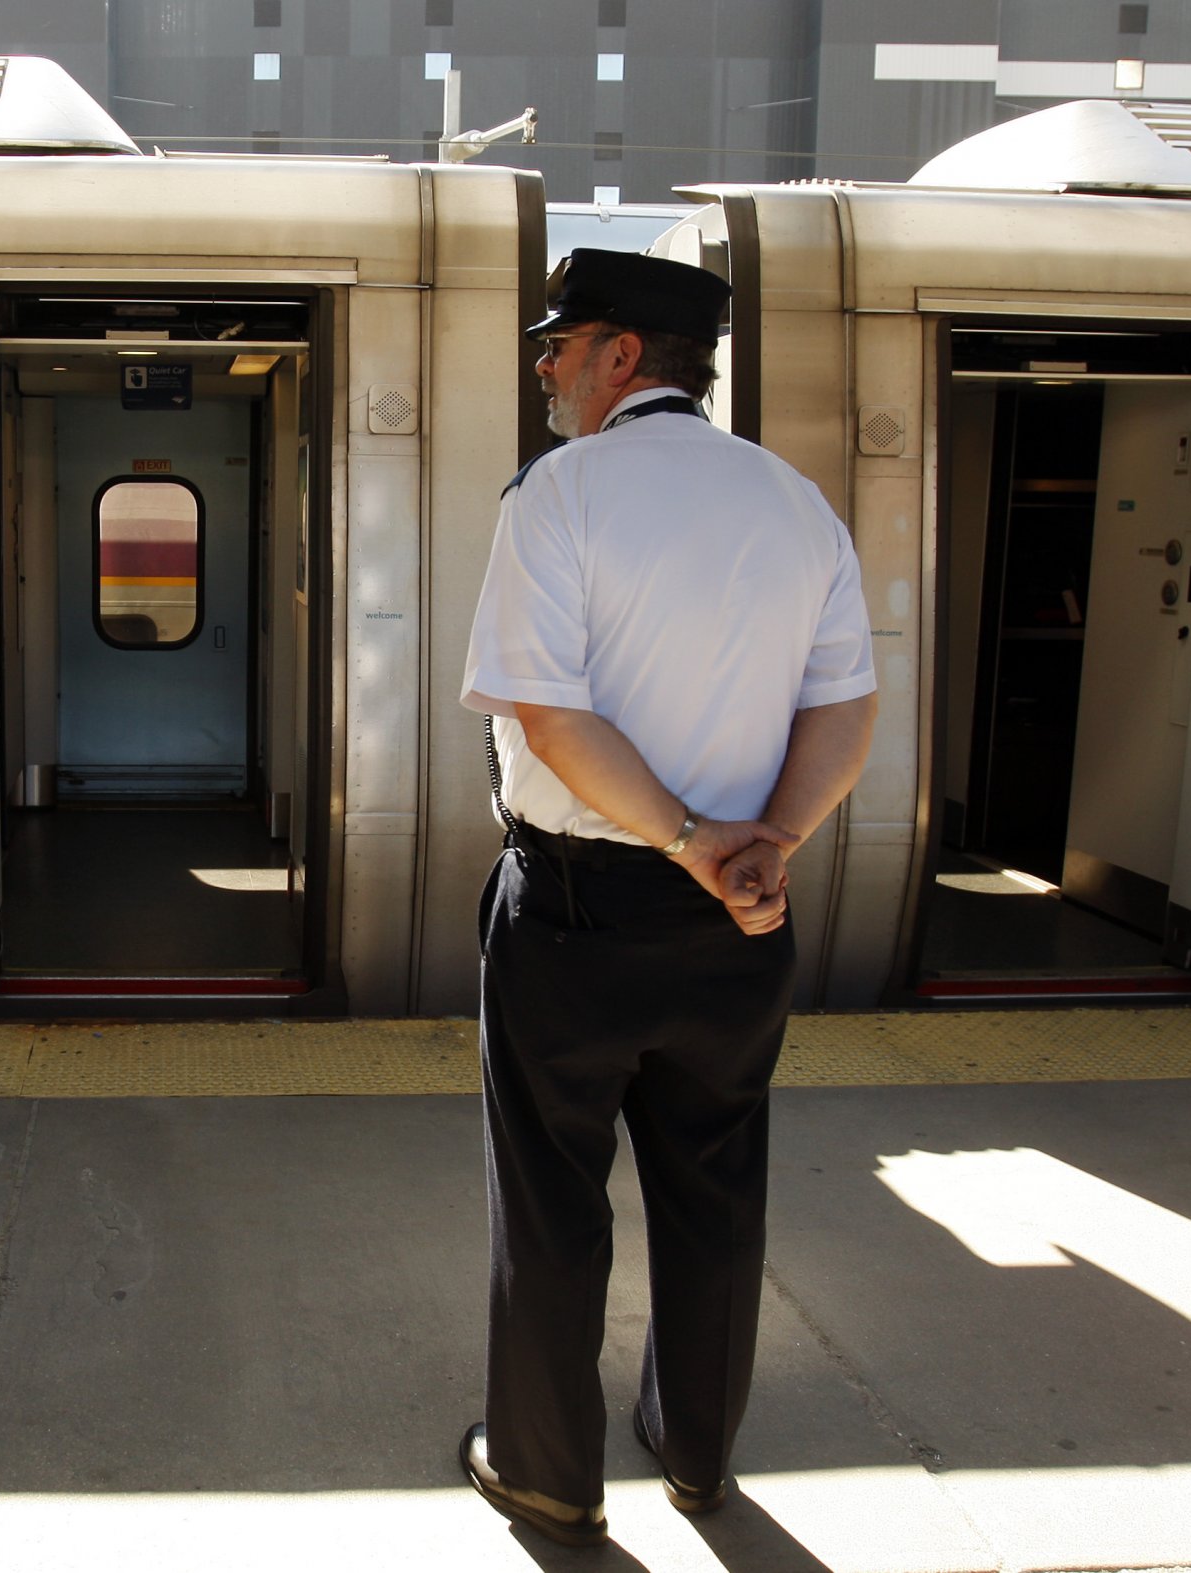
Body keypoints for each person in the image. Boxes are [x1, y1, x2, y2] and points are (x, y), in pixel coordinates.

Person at [455, 249, 878, 1545]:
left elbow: (551, 714)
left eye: (559, 342)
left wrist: (695, 839)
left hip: (578, 912)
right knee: (715, 1191)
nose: (543, 365)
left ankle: (543, 1472)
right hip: (740, 923)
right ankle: (696, 1455)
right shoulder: (796, 501)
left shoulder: (559, 494)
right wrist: (766, 848)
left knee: (551, 1197)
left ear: (622, 355)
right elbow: (846, 705)